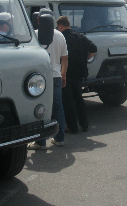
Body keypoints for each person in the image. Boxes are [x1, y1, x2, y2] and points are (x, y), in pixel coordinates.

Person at [28, 15, 68, 150]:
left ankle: (41, 142)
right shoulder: (60, 35)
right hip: (56, 75)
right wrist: (63, 74)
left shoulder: (34, 34)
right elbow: (65, 58)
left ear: (39, 21)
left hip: (40, 78)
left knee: (40, 108)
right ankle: (59, 139)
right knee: (58, 108)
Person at [57, 16, 97, 133]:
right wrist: (85, 58)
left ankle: (72, 126)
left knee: (68, 101)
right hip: (79, 73)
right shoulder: (80, 37)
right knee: (79, 99)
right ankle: (85, 124)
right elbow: (94, 49)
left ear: (61, 26)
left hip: (66, 73)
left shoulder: (61, 38)